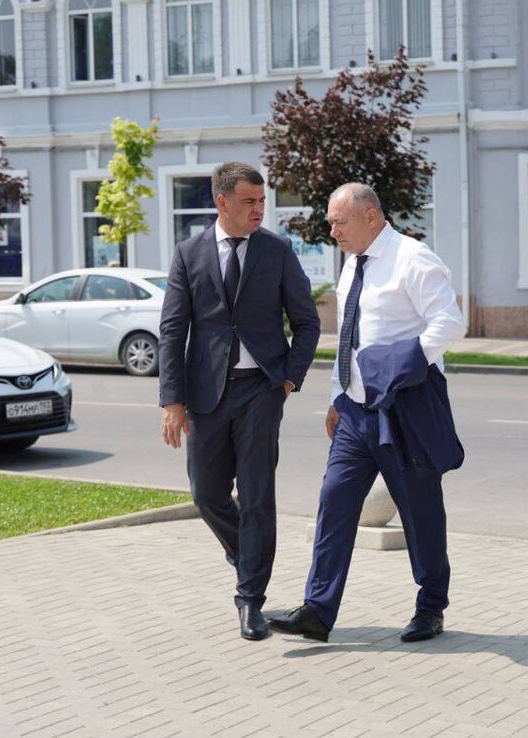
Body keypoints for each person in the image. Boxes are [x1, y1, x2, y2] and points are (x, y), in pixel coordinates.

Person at [269, 183, 467, 644]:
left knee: (419, 510)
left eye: (339, 222)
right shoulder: (352, 263)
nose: (332, 231)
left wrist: (399, 364)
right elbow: (349, 337)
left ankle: (431, 607)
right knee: (334, 501)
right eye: (331, 222)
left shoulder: (413, 259)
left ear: (371, 217)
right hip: (355, 413)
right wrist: (337, 396)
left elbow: (449, 322)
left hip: (404, 409)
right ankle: (317, 610)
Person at [158, 161, 321, 641]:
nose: (258, 209)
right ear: (221, 201)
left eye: (262, 201)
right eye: (249, 201)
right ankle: (248, 554)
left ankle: (250, 598)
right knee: (205, 493)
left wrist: (288, 379)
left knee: (256, 496)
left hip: (261, 390)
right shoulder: (189, 254)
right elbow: (172, 330)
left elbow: (307, 322)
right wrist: (172, 400)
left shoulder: (277, 250)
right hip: (206, 394)